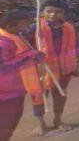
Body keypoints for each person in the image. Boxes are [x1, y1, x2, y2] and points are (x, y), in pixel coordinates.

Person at [25, 0, 79, 135]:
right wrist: (33, 53)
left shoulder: (69, 27)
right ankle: (40, 123)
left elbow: (76, 47)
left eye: (58, 12)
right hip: (41, 70)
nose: (52, 15)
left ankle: (58, 120)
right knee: (39, 97)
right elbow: (22, 45)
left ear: (64, 13)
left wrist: (77, 65)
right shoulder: (35, 28)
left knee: (60, 96)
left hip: (64, 69)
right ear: (42, 12)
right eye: (49, 11)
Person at [0, 11, 43, 141]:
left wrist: (34, 57)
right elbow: (3, 66)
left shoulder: (16, 36)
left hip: (16, 89)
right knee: (6, 125)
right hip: (6, 93)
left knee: (10, 123)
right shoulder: (3, 42)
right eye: (25, 24)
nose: (28, 26)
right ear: (11, 25)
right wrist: (28, 56)